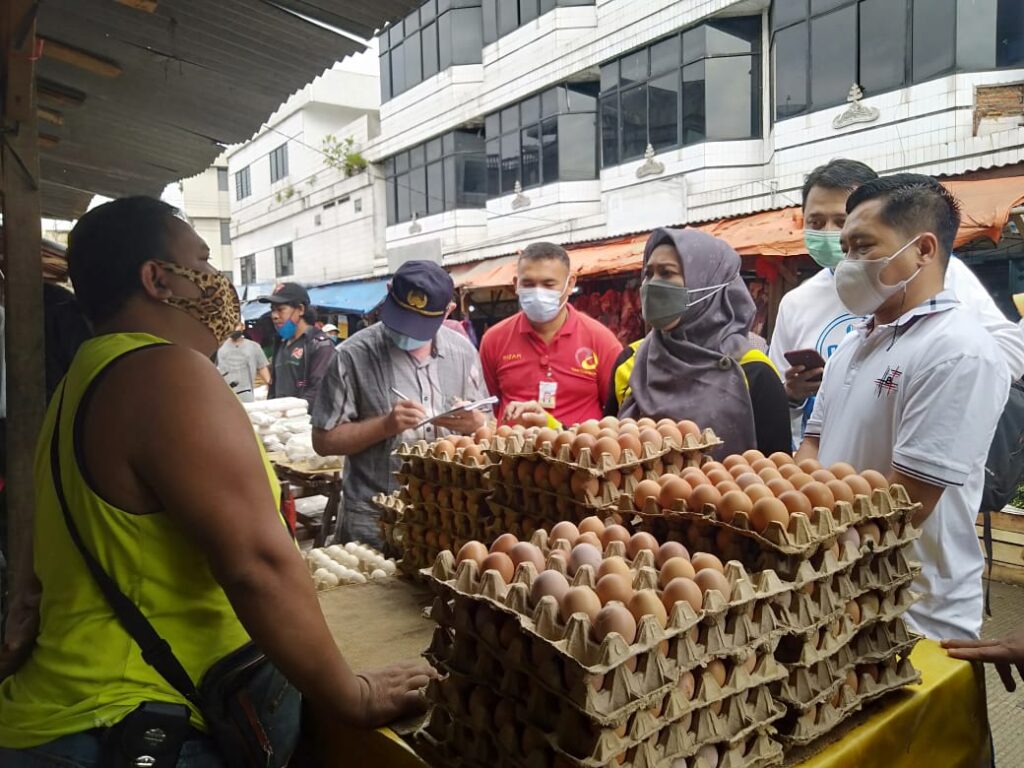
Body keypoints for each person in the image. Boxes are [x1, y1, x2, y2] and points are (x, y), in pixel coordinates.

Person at [0, 197, 432, 766]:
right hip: (127, 724)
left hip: (68, 718)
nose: (216, 278)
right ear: (159, 279)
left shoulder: (85, 376)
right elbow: (256, 565)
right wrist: (351, 692)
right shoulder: (164, 371)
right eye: (201, 260)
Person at [795, 175, 1011, 641]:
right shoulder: (853, 346)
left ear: (924, 250)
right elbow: (811, 444)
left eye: (863, 246)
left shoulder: (958, 350)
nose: (848, 262)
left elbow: (904, 504)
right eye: (846, 248)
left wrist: (809, 535)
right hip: (839, 591)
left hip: (914, 611)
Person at [770, 159, 1024, 443]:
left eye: (842, 221)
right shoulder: (806, 310)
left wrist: (947, 382)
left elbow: (1009, 349)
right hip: (833, 463)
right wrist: (792, 395)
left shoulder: (935, 274)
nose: (832, 233)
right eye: (816, 222)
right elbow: (790, 412)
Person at [312, 260, 490, 547]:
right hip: (373, 521)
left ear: (448, 311)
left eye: (420, 326)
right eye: (401, 318)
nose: (407, 332)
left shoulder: (463, 353)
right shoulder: (352, 356)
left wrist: (477, 424)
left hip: (446, 519)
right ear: (388, 291)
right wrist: (385, 425)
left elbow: (487, 425)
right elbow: (323, 440)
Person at [609, 229, 791, 457]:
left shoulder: (753, 372)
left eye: (666, 273)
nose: (652, 284)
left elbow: (777, 474)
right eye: (649, 274)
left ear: (709, 283)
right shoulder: (631, 362)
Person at [479, 242, 622, 427]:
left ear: (570, 284)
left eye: (548, 284)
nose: (538, 292)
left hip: (578, 453)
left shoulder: (601, 340)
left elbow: (615, 411)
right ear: (516, 284)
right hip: (514, 453)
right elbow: (492, 406)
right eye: (528, 284)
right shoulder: (494, 340)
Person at [259, 282, 334, 407]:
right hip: (283, 422)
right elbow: (274, 388)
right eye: (272, 310)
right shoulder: (280, 343)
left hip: (305, 422)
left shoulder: (320, 345)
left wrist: (292, 410)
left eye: (280, 310)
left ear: (300, 309)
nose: (274, 316)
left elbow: (320, 390)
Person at [216, 323, 271, 402]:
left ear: (243, 326)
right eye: (231, 325)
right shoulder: (220, 348)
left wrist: (270, 386)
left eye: (236, 325)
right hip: (226, 395)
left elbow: (262, 367)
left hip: (247, 394)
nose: (234, 329)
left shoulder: (253, 346)